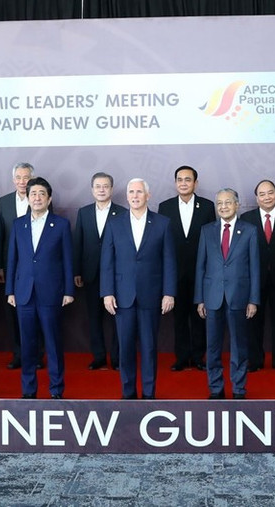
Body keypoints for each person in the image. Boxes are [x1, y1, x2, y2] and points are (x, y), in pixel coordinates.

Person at [101, 178, 176, 400]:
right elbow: (107, 261)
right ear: (126, 196)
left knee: (150, 348)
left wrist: (169, 292)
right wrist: (107, 292)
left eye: (139, 192)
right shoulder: (115, 224)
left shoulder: (162, 223)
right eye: (131, 192)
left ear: (148, 196)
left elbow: (169, 261)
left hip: (151, 296)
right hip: (122, 297)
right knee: (125, 349)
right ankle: (128, 393)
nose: (135, 196)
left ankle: (149, 394)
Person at [6, 177, 74, 399]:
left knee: (53, 344)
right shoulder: (18, 224)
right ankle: (28, 391)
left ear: (49, 198)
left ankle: (56, 390)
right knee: (27, 345)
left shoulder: (61, 224)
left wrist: (68, 291)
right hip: (23, 293)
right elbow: (12, 260)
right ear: (27, 197)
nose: (37, 198)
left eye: (41, 194)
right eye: (33, 193)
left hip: (51, 293)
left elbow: (67, 260)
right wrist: (10, 291)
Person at [195, 189, 260, 399]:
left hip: (239, 297)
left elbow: (255, 268)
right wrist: (200, 299)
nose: (223, 206)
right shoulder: (206, 231)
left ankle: (239, 389)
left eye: (228, 202)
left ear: (237, 205)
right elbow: (200, 267)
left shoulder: (249, 230)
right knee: (212, 347)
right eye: (220, 203)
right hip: (212, 296)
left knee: (239, 347)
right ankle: (215, 388)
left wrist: (253, 299)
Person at [158, 165, 215, 371]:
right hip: (174, 273)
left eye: (188, 179)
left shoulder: (208, 207)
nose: (183, 183)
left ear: (195, 183)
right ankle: (181, 357)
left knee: (200, 317)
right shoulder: (165, 207)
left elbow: (212, 241)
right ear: (175, 183)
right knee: (179, 318)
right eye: (180, 179)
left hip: (202, 273)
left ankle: (199, 357)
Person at [73, 172, 126, 370]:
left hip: (116, 276)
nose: (102, 190)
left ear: (111, 189)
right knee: (94, 318)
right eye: (98, 186)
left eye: (105, 186)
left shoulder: (122, 212)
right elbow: (78, 243)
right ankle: (99, 356)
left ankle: (117, 358)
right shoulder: (84, 212)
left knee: (116, 318)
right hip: (91, 273)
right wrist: (77, 271)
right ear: (92, 189)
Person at [239, 180, 275, 373]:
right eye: (262, 194)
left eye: (270, 193)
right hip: (254, 280)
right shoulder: (246, 218)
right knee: (253, 323)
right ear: (256, 198)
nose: (267, 197)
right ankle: (255, 360)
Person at [0, 162, 43, 369]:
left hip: (36, 268)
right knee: (13, 313)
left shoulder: (41, 198)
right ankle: (18, 354)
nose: (23, 182)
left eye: (26, 177)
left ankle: (36, 355)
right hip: (11, 267)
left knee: (37, 313)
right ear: (13, 180)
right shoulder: (4, 202)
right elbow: (0, 235)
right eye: (19, 178)